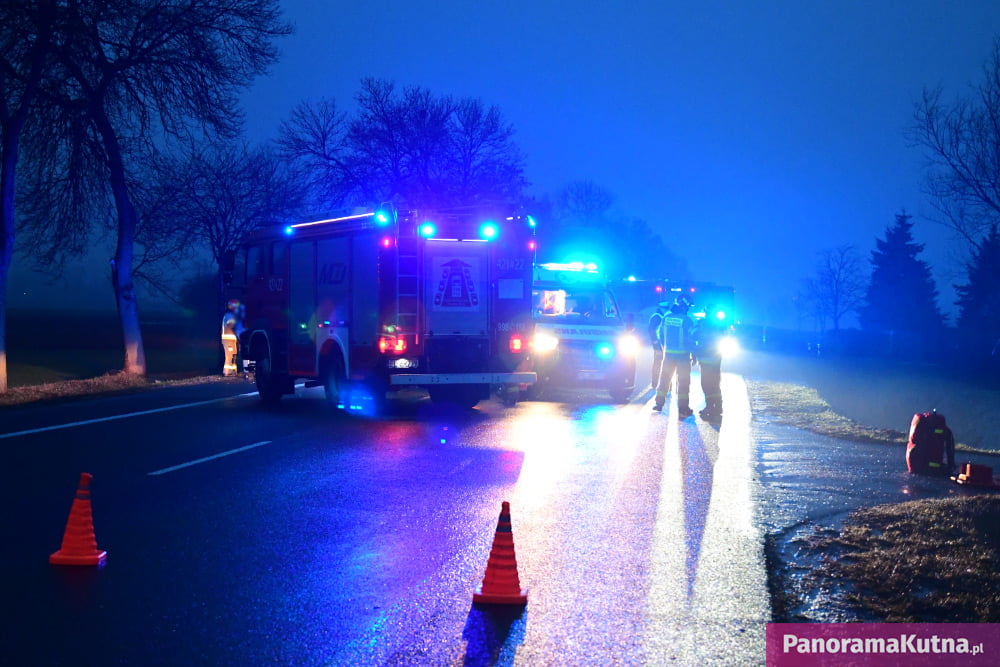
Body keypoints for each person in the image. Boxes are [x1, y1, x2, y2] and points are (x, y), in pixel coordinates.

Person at [653, 295, 696, 418]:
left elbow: (658, 333)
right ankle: (683, 408)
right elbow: (691, 338)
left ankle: (659, 403)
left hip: (668, 355)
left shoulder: (666, 318)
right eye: (688, 307)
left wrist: (664, 347)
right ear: (684, 306)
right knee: (683, 382)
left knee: (664, 379)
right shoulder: (687, 320)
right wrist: (694, 353)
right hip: (683, 357)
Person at [695, 304, 726, 420]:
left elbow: (694, 335)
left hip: (705, 357)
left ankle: (709, 407)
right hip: (716, 358)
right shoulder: (720, 324)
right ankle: (718, 407)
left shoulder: (702, 323)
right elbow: (725, 336)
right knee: (715, 383)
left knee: (707, 384)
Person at [221, 298, 245, 376]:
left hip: (232, 340)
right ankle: (227, 372)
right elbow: (230, 325)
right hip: (228, 340)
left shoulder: (231, 315)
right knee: (229, 356)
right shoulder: (229, 315)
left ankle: (233, 372)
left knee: (234, 355)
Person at [648, 301, 669, 389]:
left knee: (661, 364)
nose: (666, 310)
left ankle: (658, 383)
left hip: (662, 345)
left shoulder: (663, 317)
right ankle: (655, 383)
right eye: (665, 308)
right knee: (657, 364)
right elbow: (651, 331)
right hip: (658, 345)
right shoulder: (656, 317)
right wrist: (655, 343)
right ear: (660, 308)